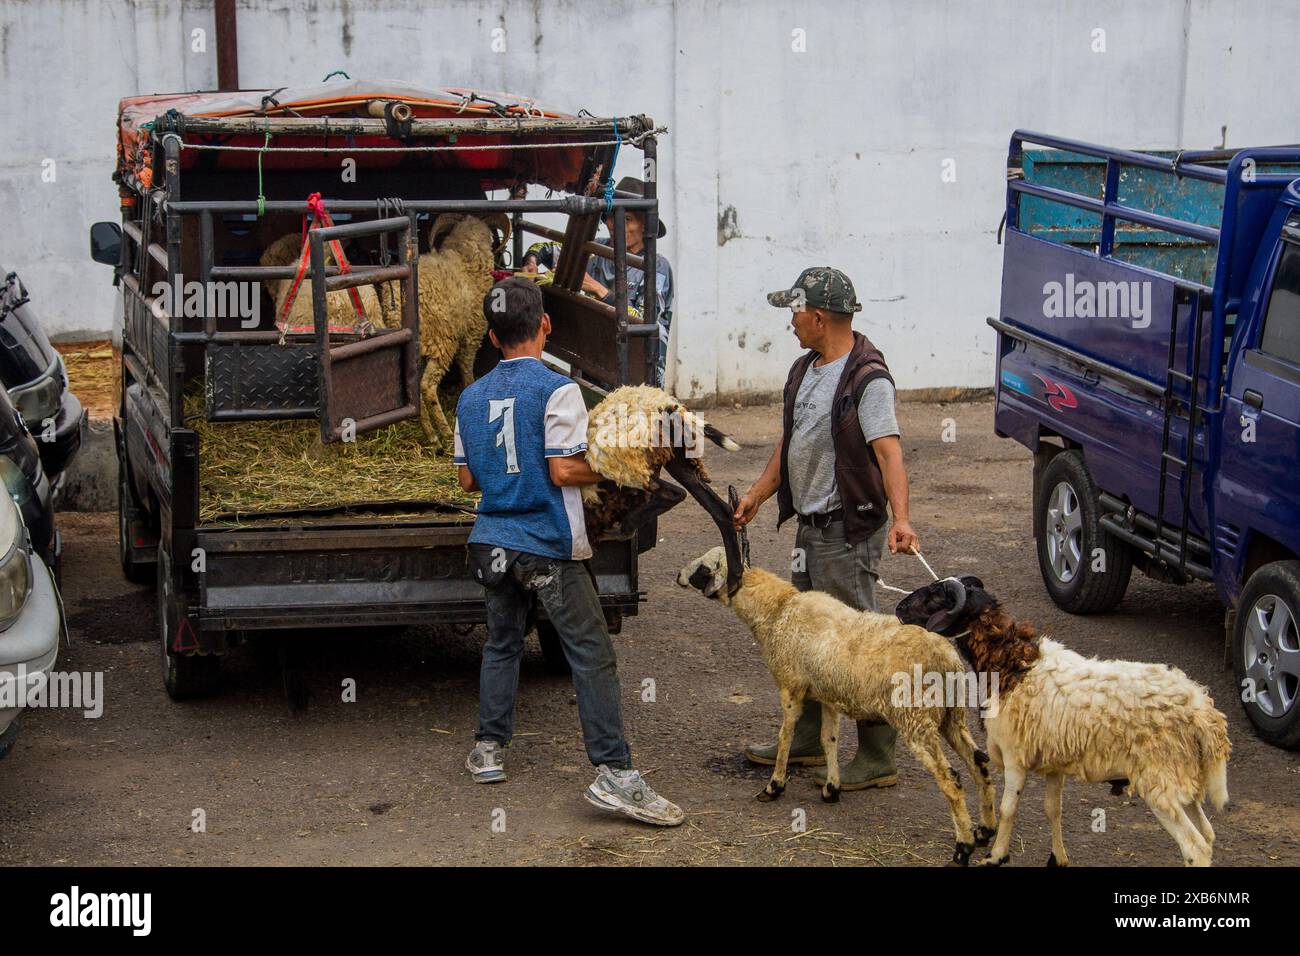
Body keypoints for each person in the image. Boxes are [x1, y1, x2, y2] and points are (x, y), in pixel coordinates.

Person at [454, 276, 683, 827]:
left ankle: (488, 749)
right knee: (592, 652)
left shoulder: (469, 396)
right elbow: (563, 468)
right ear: (546, 326)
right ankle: (615, 774)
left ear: (490, 335)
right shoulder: (556, 389)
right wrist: (627, 462)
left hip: (491, 544)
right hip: (544, 546)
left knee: (503, 643)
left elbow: (467, 481)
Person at [732, 267, 920, 792]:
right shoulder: (804, 369)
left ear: (817, 316)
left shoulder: (868, 378)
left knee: (860, 646)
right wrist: (755, 495)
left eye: (794, 312)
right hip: (810, 530)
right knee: (810, 640)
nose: (790, 322)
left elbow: (888, 452)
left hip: (847, 531)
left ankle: (879, 756)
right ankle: (811, 741)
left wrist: (901, 519)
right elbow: (788, 445)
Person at [580, 178, 674, 387]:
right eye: (612, 217)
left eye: (627, 218)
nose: (616, 225)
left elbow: (643, 317)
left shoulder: (657, 266)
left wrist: (599, 290)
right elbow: (551, 247)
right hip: (598, 355)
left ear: (644, 225)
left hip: (637, 365)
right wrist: (532, 259)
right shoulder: (598, 249)